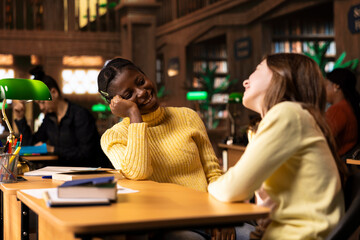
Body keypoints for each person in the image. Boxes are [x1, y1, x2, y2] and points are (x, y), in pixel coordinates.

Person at [208, 53, 348, 240]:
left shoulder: (288, 114)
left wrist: (211, 185)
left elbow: (231, 189)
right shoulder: (294, 116)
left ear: (278, 76)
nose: (245, 82)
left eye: (256, 70)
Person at [98, 58, 222, 240]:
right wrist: (134, 114)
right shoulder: (113, 136)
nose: (142, 92)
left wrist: (223, 218)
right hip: (166, 223)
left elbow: (213, 173)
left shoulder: (188, 116)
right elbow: (138, 172)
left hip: (209, 215)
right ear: (116, 104)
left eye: (141, 82)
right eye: (128, 95)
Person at [14, 66, 110, 168]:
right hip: (62, 172)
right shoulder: (49, 118)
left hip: (88, 172)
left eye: (42, 102)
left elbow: (85, 153)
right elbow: (31, 144)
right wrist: (20, 118)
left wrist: (53, 149)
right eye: (38, 103)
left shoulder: (80, 115)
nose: (41, 107)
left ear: (54, 93)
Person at [325, 68, 360, 158]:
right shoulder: (349, 105)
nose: (324, 90)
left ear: (336, 86)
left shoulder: (338, 110)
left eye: (326, 85)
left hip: (339, 165)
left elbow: (322, 137)